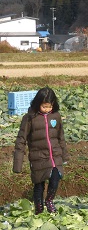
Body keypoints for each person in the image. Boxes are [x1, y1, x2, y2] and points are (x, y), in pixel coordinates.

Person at [13, 87, 69, 215]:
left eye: (49, 106)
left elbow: (61, 137)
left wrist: (64, 156)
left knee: (56, 178)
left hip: (55, 155)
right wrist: (18, 164)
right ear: (38, 104)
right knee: (39, 185)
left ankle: (49, 200)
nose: (47, 109)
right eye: (44, 106)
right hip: (38, 157)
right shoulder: (29, 118)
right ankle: (39, 208)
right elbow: (21, 140)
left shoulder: (56, 116)